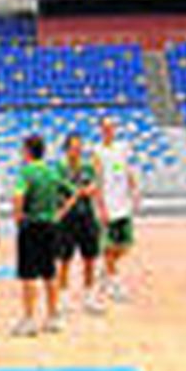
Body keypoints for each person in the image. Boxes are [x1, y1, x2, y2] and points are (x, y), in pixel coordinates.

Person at [13, 134, 69, 336]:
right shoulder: (51, 172)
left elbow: (18, 195)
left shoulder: (26, 172)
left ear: (28, 150)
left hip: (31, 225)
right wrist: (59, 214)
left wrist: (18, 217)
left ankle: (29, 320)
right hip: (50, 226)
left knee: (28, 275)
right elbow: (71, 192)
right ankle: (53, 317)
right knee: (49, 272)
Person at [54, 134, 104, 314]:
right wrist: (81, 191)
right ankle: (63, 298)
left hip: (87, 217)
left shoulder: (87, 167)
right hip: (67, 219)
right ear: (67, 149)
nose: (78, 150)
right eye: (74, 147)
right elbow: (64, 188)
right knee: (64, 259)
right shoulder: (59, 168)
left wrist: (90, 190)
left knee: (90, 258)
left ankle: (89, 297)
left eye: (80, 147)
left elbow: (93, 187)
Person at [93, 117, 140, 303]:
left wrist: (134, 190)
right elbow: (97, 180)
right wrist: (101, 206)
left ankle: (106, 269)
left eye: (111, 127)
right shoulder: (97, 151)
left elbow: (127, 170)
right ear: (101, 130)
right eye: (105, 127)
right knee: (109, 246)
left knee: (126, 245)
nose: (109, 130)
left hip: (123, 204)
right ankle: (114, 283)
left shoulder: (122, 148)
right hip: (109, 205)